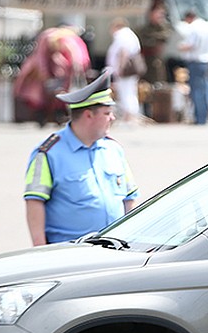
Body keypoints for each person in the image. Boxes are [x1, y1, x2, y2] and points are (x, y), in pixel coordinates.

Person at [24, 68, 140, 246]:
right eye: (107, 113)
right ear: (88, 115)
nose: (113, 118)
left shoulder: (113, 149)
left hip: (115, 250)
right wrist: (40, 249)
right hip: (70, 253)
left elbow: (129, 198)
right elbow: (34, 202)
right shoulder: (48, 154)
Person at [178, 9, 208, 125]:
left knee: (197, 90)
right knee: (206, 89)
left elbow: (191, 45)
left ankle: (199, 118)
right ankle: (205, 116)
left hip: (196, 61)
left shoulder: (194, 29)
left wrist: (181, 47)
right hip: (207, 61)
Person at [106, 17, 143, 122]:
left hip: (125, 69)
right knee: (130, 90)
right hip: (129, 69)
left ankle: (129, 116)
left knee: (125, 91)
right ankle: (130, 115)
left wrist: (120, 67)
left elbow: (123, 52)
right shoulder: (130, 35)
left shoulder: (122, 35)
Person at [139, 3, 172, 86]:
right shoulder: (144, 30)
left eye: (162, 15)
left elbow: (165, 37)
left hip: (159, 61)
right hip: (146, 61)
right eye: (158, 14)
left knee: (159, 83)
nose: (160, 17)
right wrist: (154, 39)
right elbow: (144, 41)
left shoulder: (164, 28)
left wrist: (154, 38)